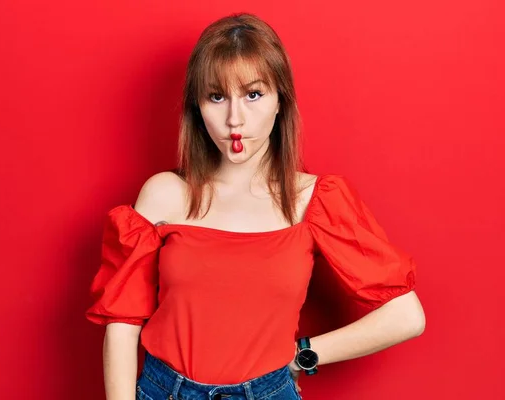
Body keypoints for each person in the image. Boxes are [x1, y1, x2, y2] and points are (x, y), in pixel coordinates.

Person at [86, 12, 425, 400]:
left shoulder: (315, 200)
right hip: (163, 391)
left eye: (253, 94)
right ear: (197, 108)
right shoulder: (164, 194)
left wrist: (304, 356)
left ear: (281, 101)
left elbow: (406, 316)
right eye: (217, 96)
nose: (235, 119)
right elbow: (121, 326)